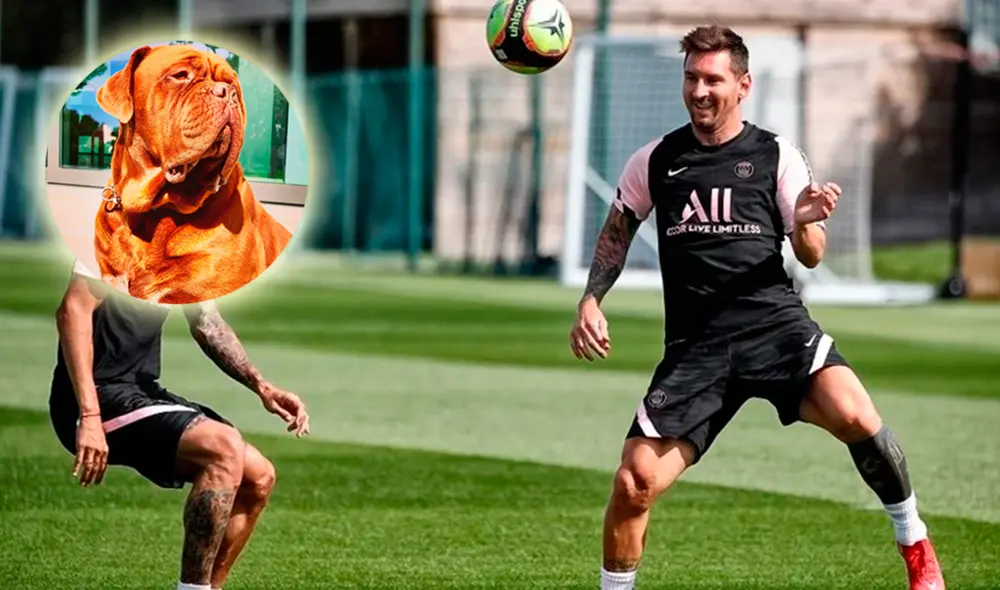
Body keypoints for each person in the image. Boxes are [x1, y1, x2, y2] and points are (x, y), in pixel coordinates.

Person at [569, 25, 946, 590]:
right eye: (691, 77)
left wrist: (806, 221)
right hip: (696, 348)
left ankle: (914, 541)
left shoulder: (776, 155)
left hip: (775, 329)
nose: (700, 90)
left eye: (713, 79)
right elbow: (616, 233)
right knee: (634, 482)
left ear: (742, 85)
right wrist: (591, 300)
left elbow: (811, 256)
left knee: (859, 418)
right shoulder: (654, 161)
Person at [48, 259, 311, 590]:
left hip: (139, 391)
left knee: (257, 477)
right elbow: (72, 311)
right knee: (223, 446)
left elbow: (207, 324)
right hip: (91, 397)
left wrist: (262, 385)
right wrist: (89, 416)